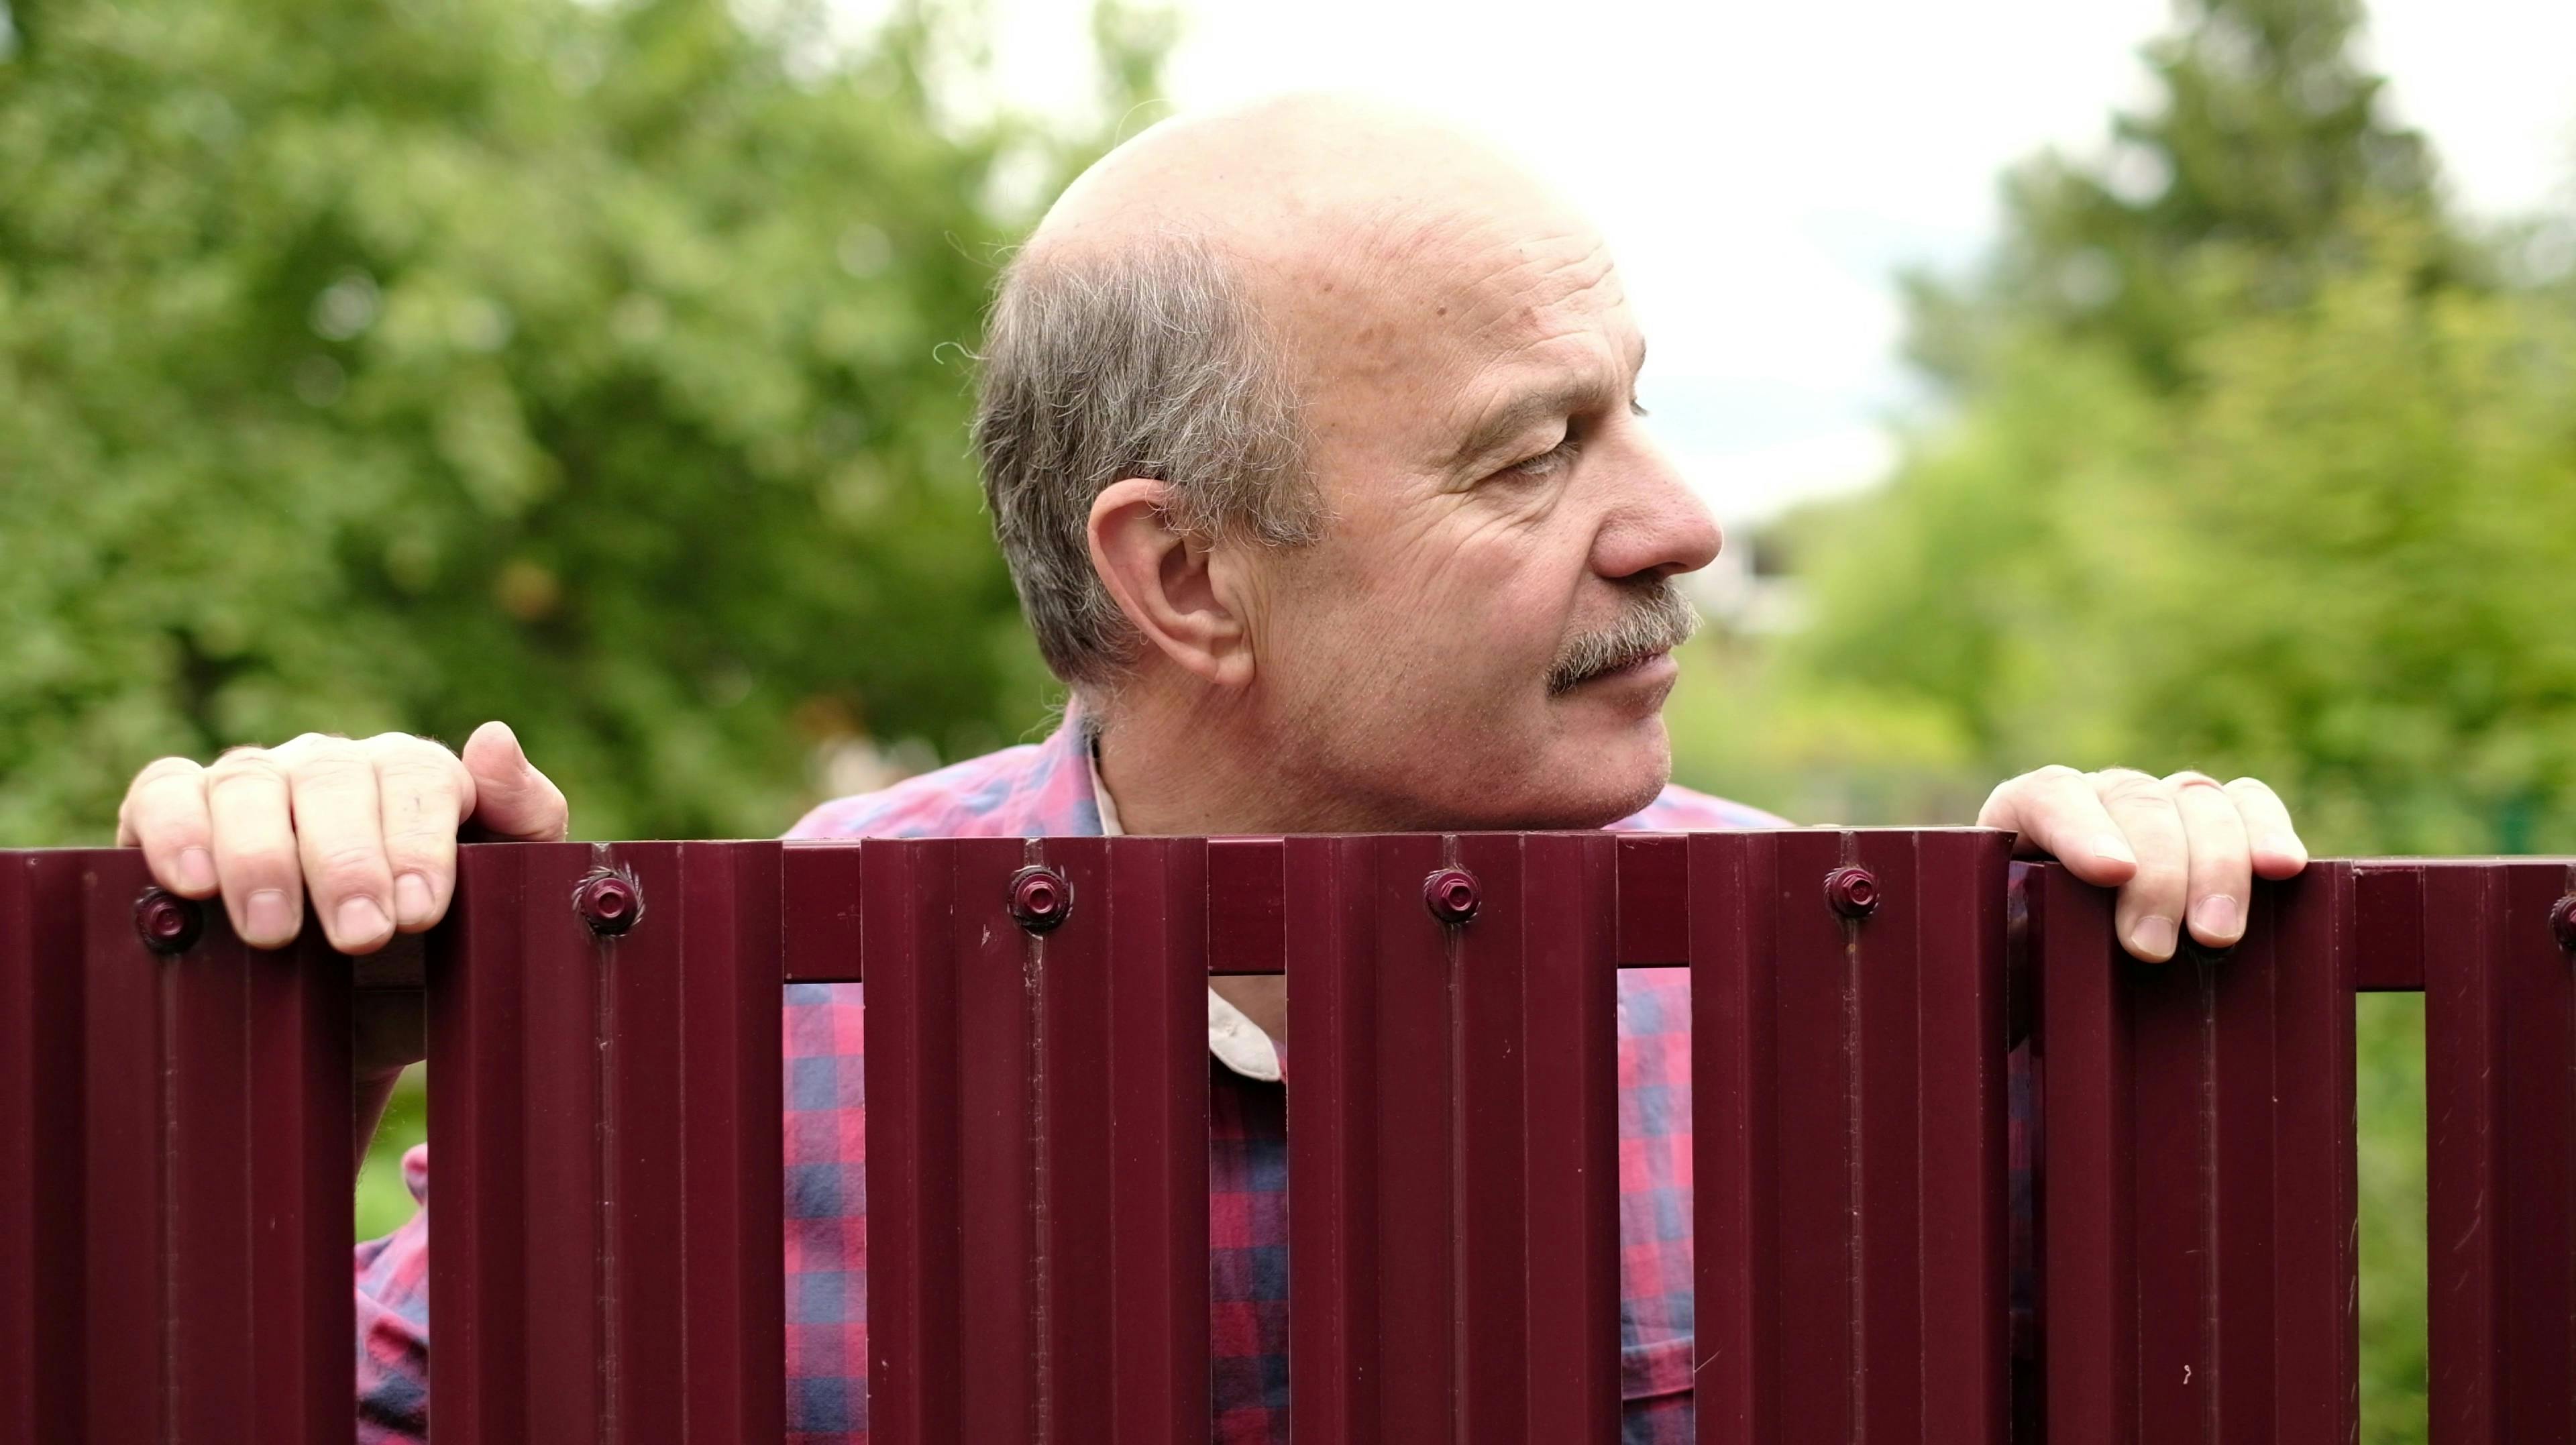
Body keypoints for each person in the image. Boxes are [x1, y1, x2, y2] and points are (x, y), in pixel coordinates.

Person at [113, 94, 2308, 1444]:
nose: (1680, 521)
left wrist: (2159, 1004)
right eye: (1535, 452)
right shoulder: (758, 1020)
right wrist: (299, 1079)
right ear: (1185, 575)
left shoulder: (1875, 1002)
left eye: (1630, 407)